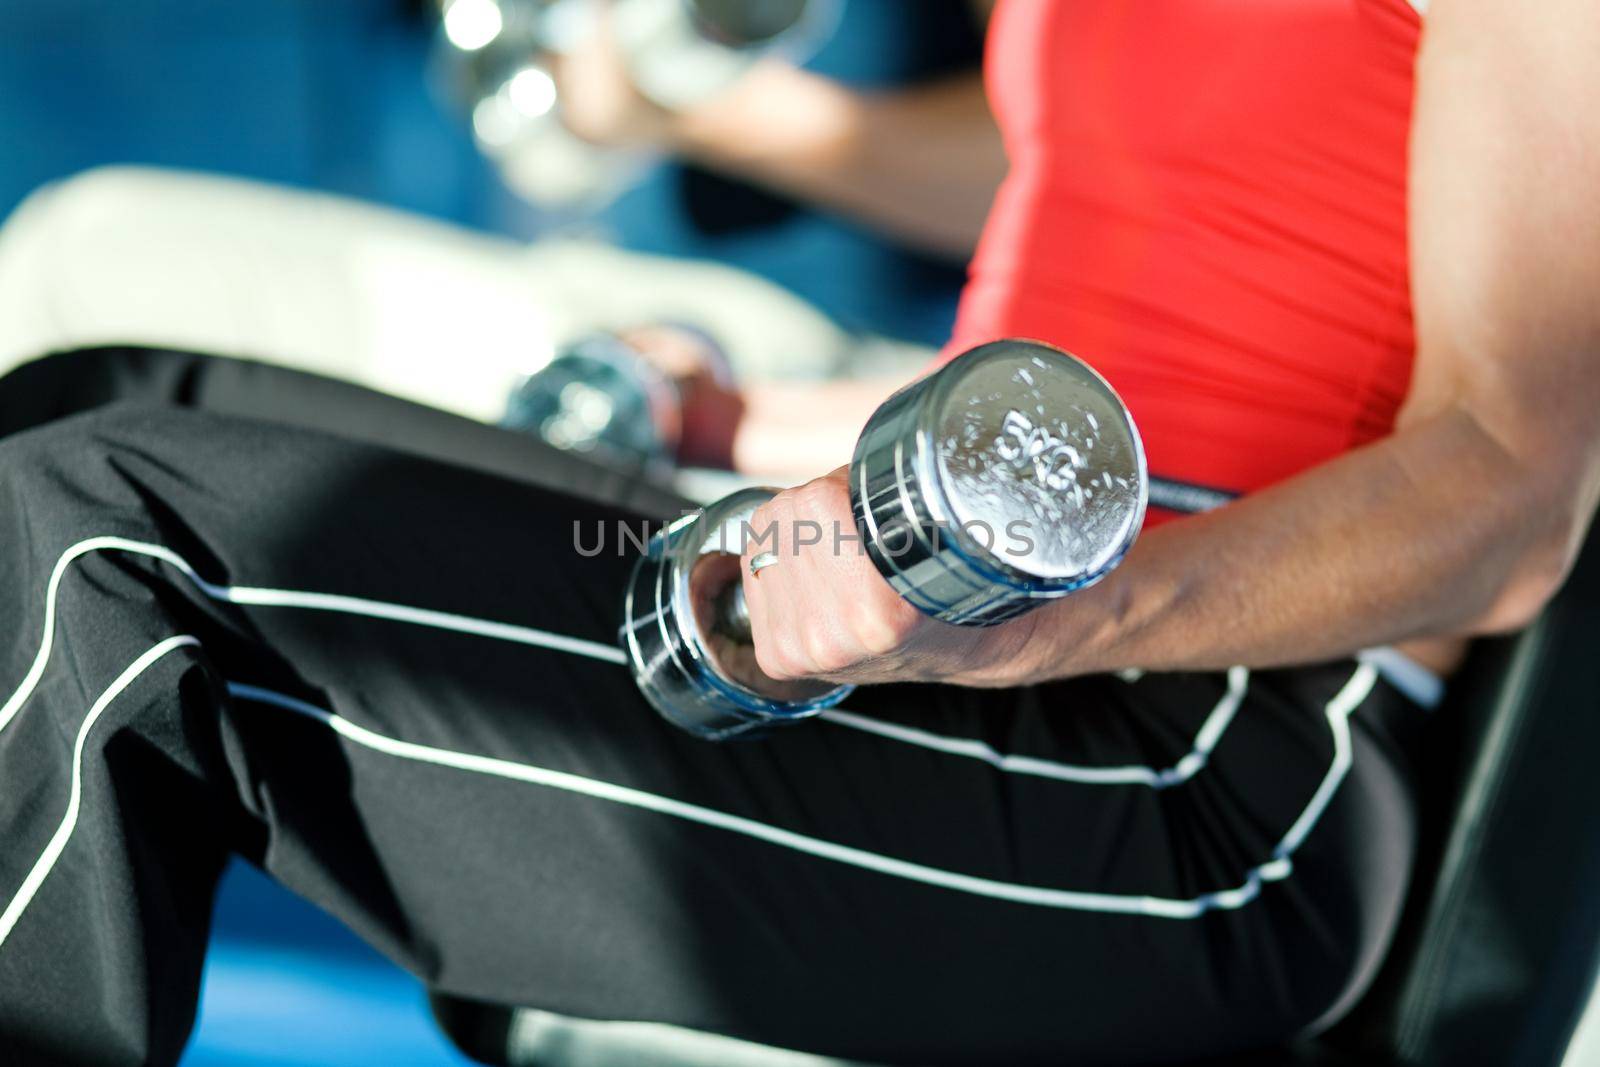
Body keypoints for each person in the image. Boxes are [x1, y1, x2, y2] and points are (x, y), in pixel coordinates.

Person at [1, 2, 1596, 1065]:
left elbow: (1508, 485)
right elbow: (1114, 238)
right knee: (109, 392)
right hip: (984, 549)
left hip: (1223, 749)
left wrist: (1051, 619)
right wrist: (736, 425)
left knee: (106, 562)